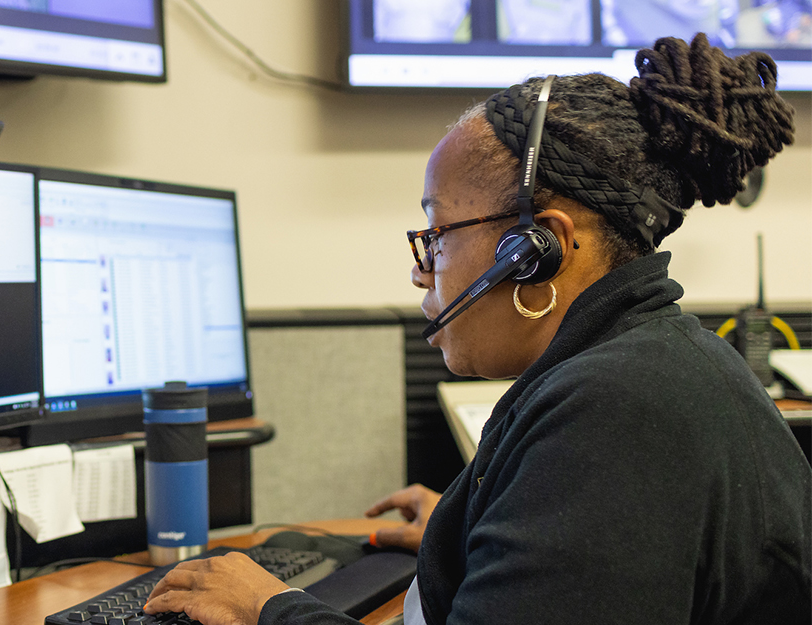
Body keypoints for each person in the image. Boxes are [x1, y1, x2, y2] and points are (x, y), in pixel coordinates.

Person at [142, 34, 811, 625]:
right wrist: (491, 527)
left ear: (536, 249)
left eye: (437, 234)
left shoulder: (618, 410)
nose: (421, 271)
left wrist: (270, 607)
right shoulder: (643, 362)